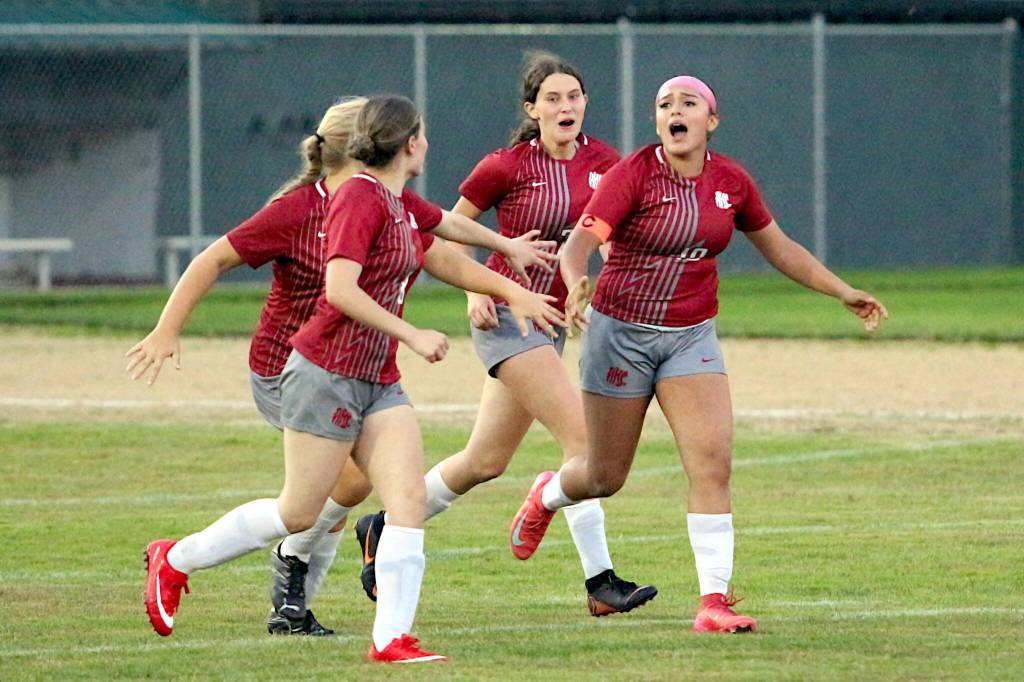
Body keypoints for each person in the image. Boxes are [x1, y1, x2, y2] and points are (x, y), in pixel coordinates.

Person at [140, 94, 565, 663]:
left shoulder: (393, 198)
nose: (429, 143)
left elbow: (443, 231)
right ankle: (178, 560)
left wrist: (509, 260)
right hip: (317, 372)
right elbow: (337, 291)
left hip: (375, 375)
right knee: (300, 511)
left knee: (406, 497)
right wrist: (413, 334)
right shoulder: (350, 202)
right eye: (423, 134)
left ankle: (390, 639)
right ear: (405, 143)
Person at [508, 75, 889, 633]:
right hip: (622, 336)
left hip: (691, 336)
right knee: (604, 476)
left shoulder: (731, 181)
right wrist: (576, 280)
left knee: (712, 462)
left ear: (711, 120)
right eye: (665, 105)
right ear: (657, 121)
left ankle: (714, 603)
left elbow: (778, 247)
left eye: (689, 103)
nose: (675, 112)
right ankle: (549, 492)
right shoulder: (632, 174)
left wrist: (841, 290)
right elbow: (579, 245)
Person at [352, 51, 656, 618]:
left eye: (574, 96)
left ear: (586, 102)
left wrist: (601, 285)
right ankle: (601, 583)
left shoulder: (606, 163)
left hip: (555, 323)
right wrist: (474, 293)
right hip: (510, 319)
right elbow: (448, 231)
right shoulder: (506, 166)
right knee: (587, 445)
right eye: (553, 98)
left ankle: (384, 523)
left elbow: (609, 238)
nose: (566, 106)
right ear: (532, 109)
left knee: (484, 460)